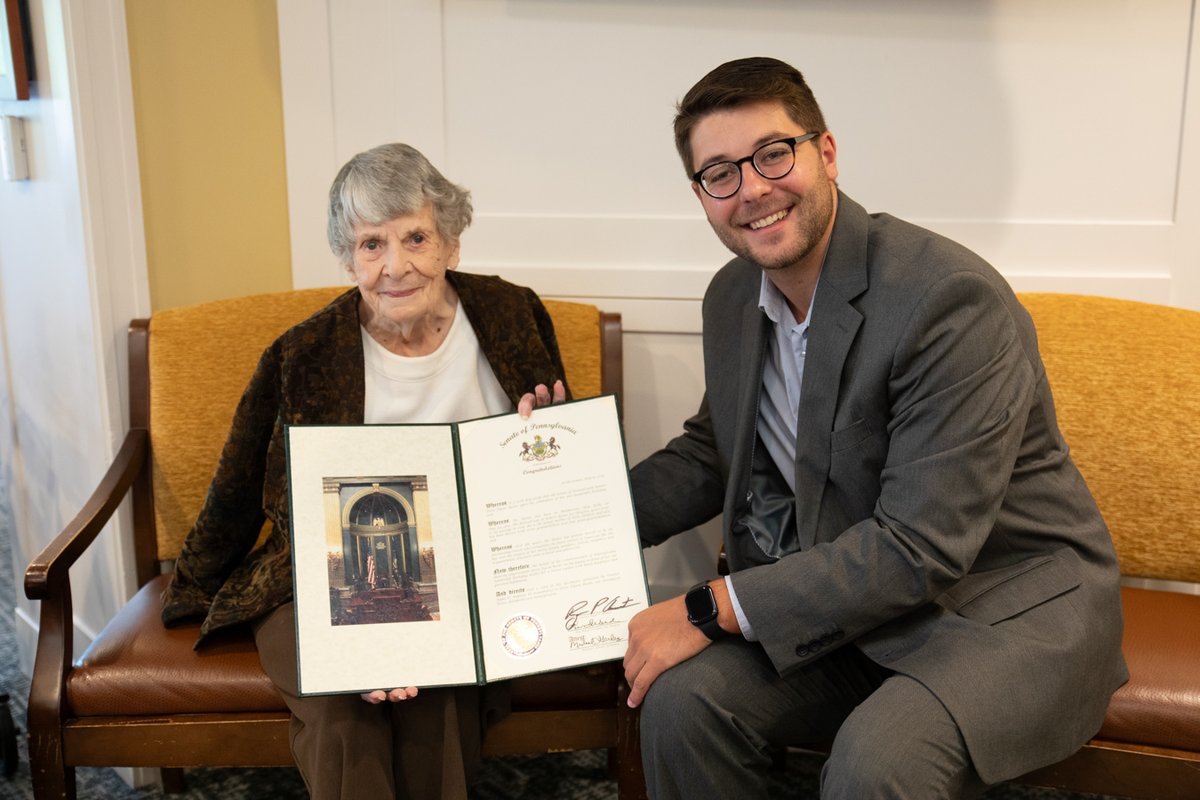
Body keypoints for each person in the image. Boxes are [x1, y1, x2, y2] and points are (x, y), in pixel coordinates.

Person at [623, 57, 1128, 800]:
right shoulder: (732, 296)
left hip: (997, 604)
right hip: (854, 600)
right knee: (682, 705)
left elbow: (920, 545)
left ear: (825, 153)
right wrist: (554, 503)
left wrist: (709, 605)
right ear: (701, 195)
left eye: (772, 154)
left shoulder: (946, 299)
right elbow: (713, 451)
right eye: (720, 173)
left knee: (877, 762)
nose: (753, 189)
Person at [161, 142, 566, 800]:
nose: (395, 266)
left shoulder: (511, 314)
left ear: (452, 244)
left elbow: (553, 457)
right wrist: (198, 585)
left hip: (470, 576)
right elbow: (238, 486)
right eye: (371, 244)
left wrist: (546, 437)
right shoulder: (304, 353)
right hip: (321, 579)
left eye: (415, 237)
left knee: (437, 690)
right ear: (348, 257)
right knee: (345, 703)